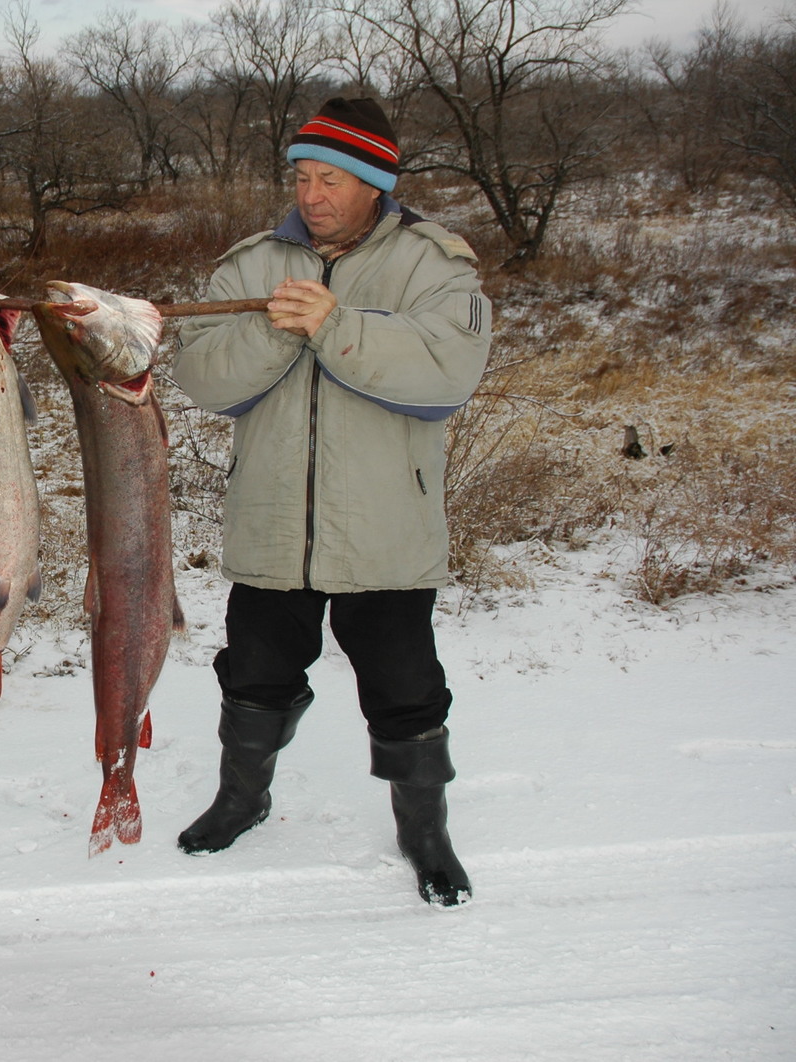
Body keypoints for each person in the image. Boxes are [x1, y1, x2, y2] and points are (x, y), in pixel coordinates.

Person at [170, 97, 491, 907]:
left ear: (376, 183)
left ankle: (424, 830)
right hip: (273, 520)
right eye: (302, 176)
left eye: (334, 179)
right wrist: (278, 328)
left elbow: (447, 372)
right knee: (253, 674)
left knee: (405, 685)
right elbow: (202, 379)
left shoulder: (432, 262)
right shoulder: (252, 262)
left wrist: (335, 325)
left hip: (385, 525)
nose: (312, 195)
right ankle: (242, 798)